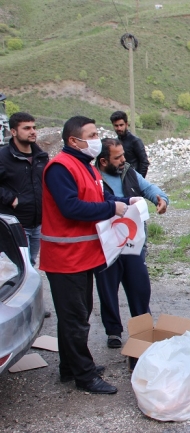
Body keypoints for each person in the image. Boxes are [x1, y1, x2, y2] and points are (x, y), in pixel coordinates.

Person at [40, 116, 135, 394]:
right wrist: (111, 209)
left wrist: (122, 202)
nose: (97, 139)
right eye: (92, 135)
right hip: (65, 258)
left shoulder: (85, 167)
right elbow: (70, 208)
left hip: (82, 256)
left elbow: (96, 200)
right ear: (73, 140)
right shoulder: (60, 168)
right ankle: (85, 376)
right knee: (76, 319)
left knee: (75, 316)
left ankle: (70, 368)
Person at [94, 138, 169, 349]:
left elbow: (149, 188)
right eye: (117, 158)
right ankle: (113, 332)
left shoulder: (128, 172)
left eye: (123, 155)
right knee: (108, 289)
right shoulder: (92, 179)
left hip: (134, 244)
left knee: (140, 287)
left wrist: (161, 199)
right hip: (106, 246)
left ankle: (143, 330)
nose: (123, 160)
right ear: (103, 161)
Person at [0, 112, 52, 319]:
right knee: (19, 269)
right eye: (26, 128)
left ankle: (31, 308)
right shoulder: (3, 157)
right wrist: (10, 198)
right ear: (13, 132)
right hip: (14, 224)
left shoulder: (40, 156)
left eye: (33, 127)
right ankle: (20, 312)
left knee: (31, 263)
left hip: (37, 221)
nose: (33, 132)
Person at [110, 111, 149, 178]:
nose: (119, 128)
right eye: (116, 126)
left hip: (133, 178)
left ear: (126, 124)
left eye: (121, 125)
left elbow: (144, 162)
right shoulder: (115, 142)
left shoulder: (135, 141)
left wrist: (138, 181)